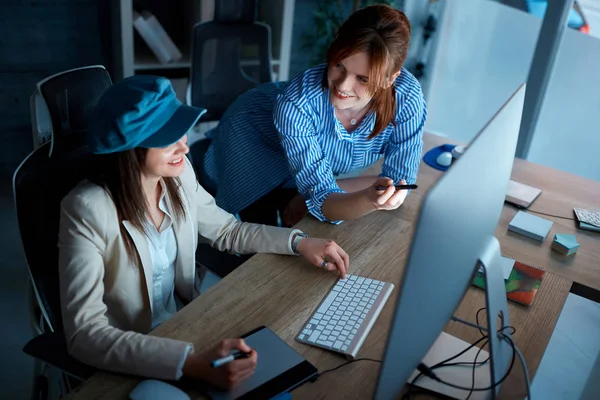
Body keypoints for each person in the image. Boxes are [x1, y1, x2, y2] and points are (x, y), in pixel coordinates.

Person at [58, 75, 349, 389]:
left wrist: (298, 241)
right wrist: (189, 363)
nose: (184, 144)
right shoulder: (86, 209)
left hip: (189, 319)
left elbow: (227, 230)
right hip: (137, 351)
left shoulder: (178, 175)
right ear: (131, 148)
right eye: (169, 136)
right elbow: (84, 335)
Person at [200, 4, 426, 227]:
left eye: (363, 79)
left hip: (300, 158)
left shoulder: (406, 97)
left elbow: (399, 183)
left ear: (390, 79)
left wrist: (316, 194)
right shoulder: (297, 103)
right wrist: (360, 198)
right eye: (339, 65)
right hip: (252, 138)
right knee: (254, 230)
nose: (343, 86)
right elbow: (324, 201)